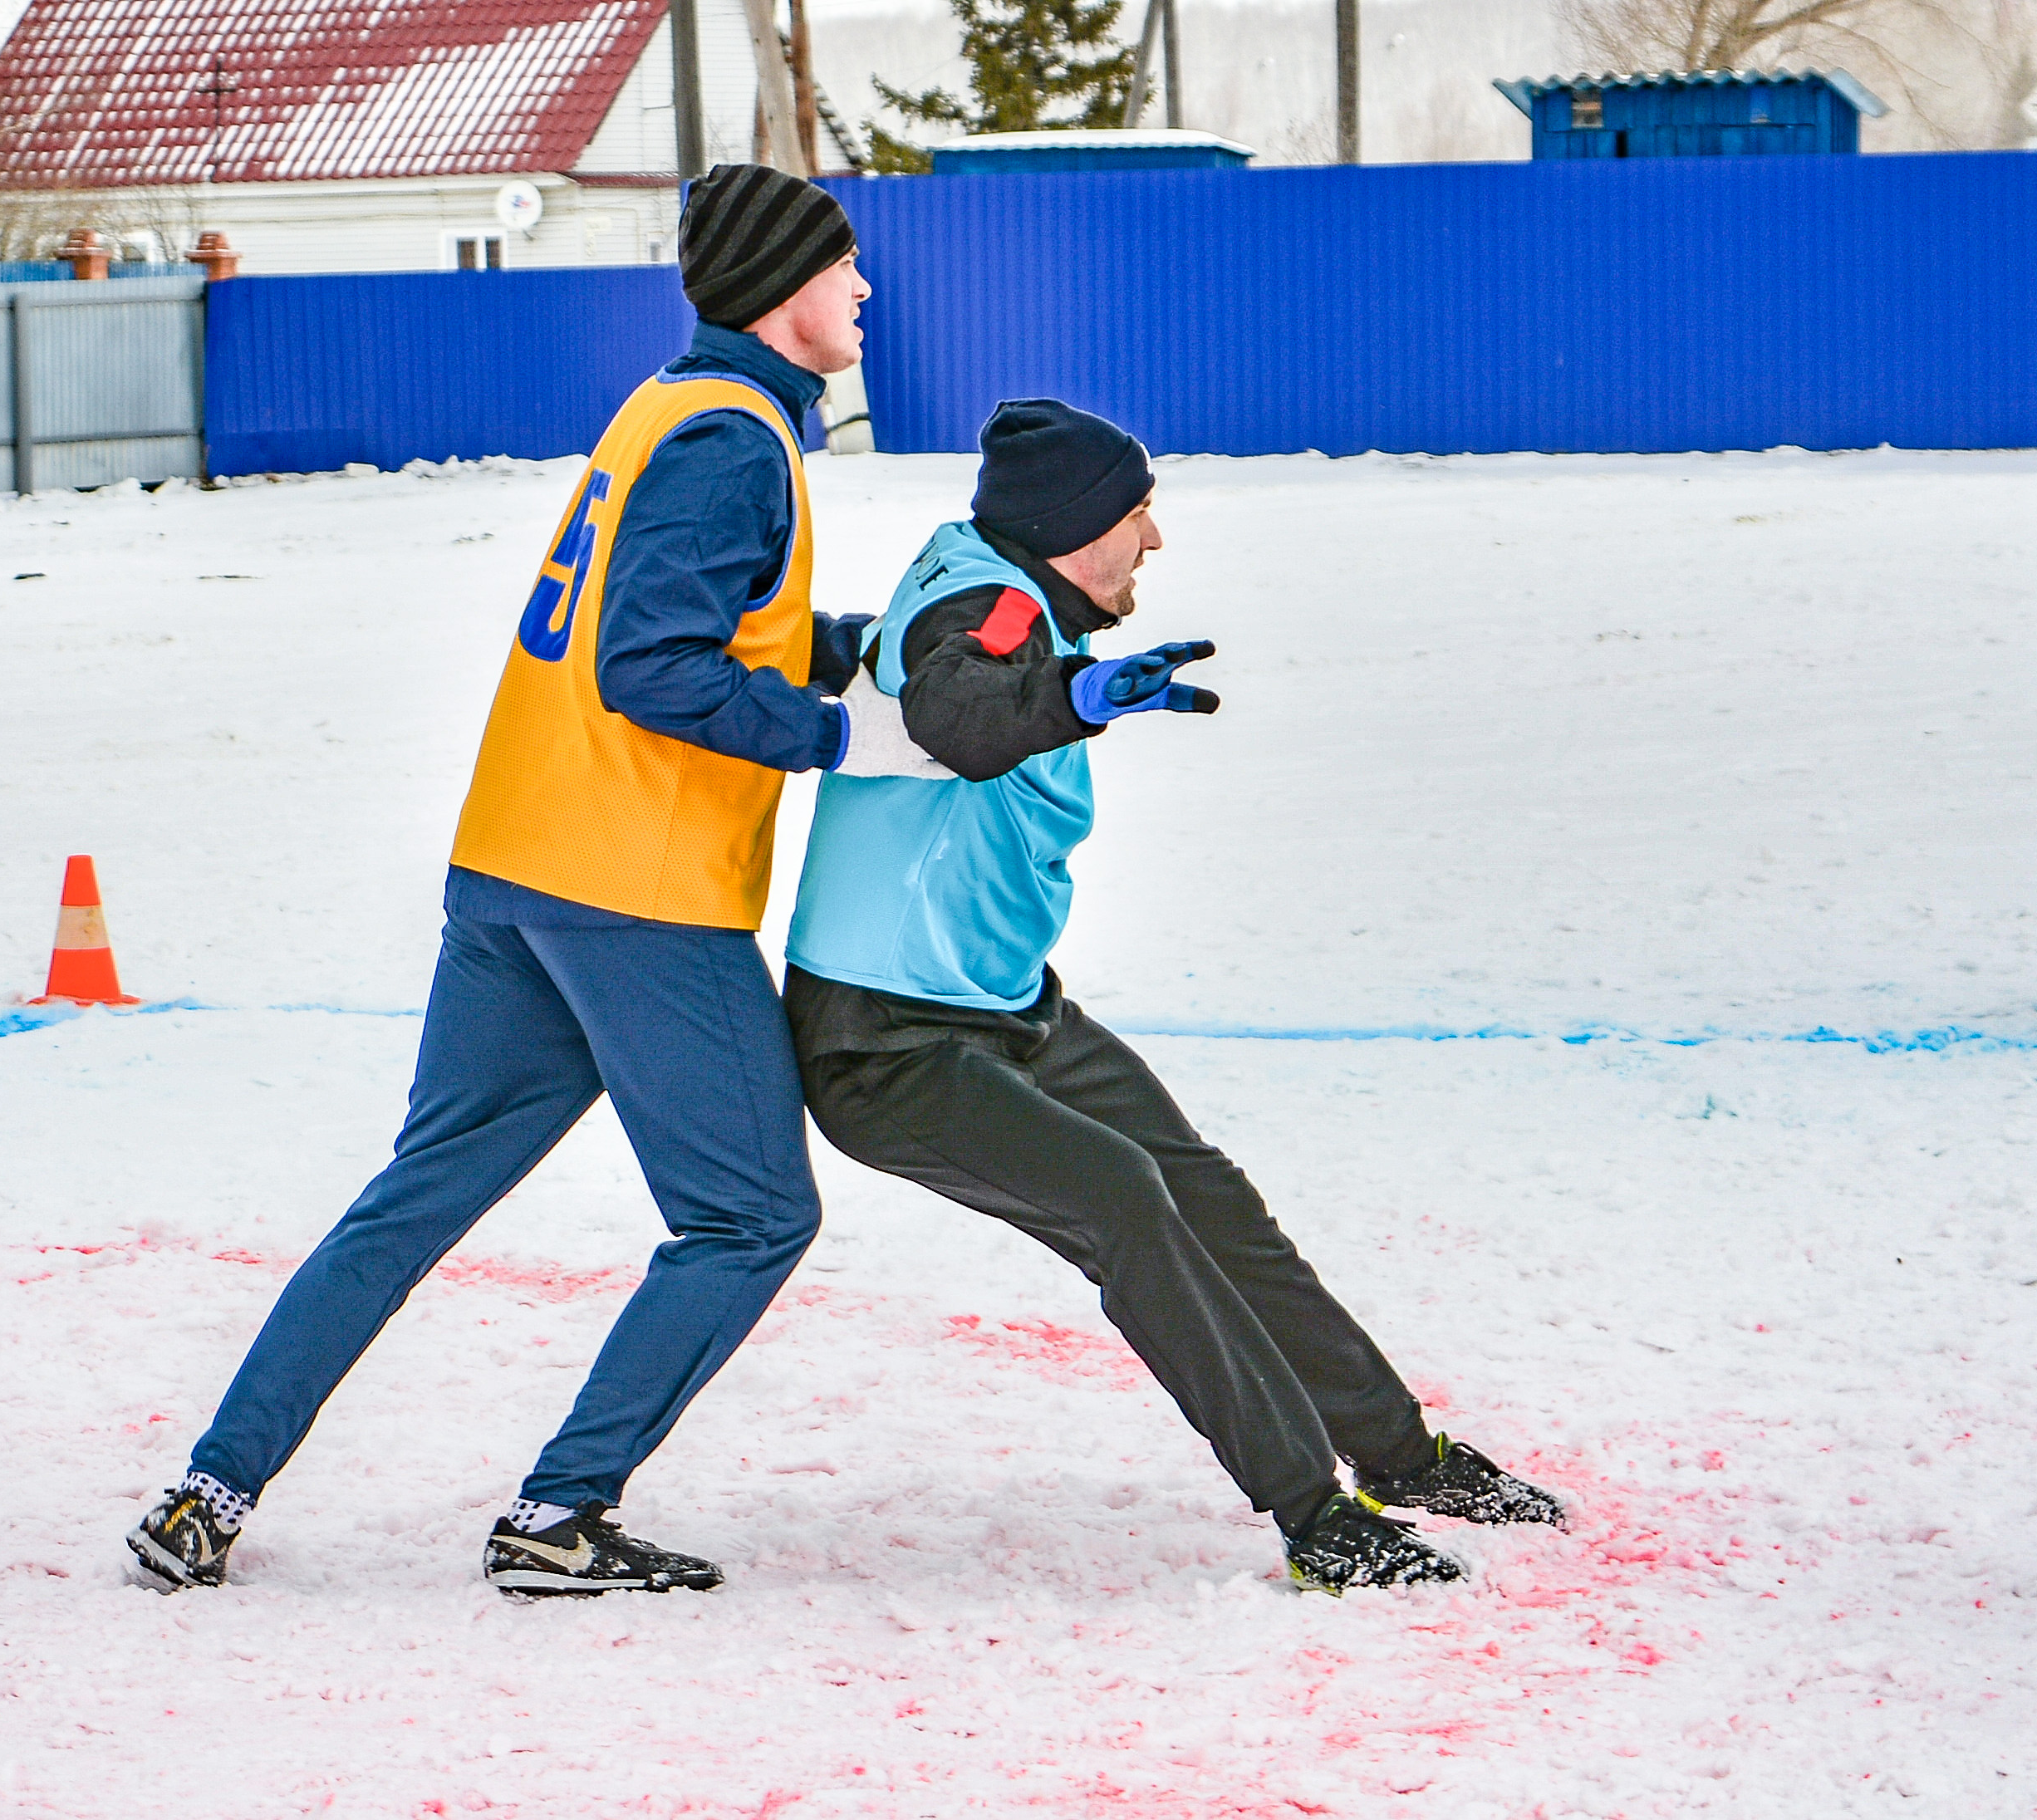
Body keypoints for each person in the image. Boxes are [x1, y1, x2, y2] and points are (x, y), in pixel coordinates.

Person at [130, 164, 886, 1597]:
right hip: (635, 891)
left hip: (513, 867)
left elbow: (702, 617)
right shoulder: (734, 439)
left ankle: (207, 1494)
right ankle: (559, 1515)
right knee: (751, 1216)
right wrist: (841, 736)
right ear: (783, 285)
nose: (863, 288)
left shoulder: (669, 405)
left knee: (416, 1197)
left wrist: (862, 649)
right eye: (843, 263)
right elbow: (652, 665)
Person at [779, 399, 1566, 1593]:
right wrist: (1082, 699)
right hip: (886, 1047)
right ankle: (1317, 1517)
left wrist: (1062, 685)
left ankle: (1404, 1457)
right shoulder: (988, 605)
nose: (1155, 538)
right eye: (1136, 513)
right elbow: (958, 710)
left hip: (1002, 1009)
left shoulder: (1004, 583)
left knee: (1208, 1197)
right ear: (1068, 526)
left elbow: (923, 666)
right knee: (1127, 1200)